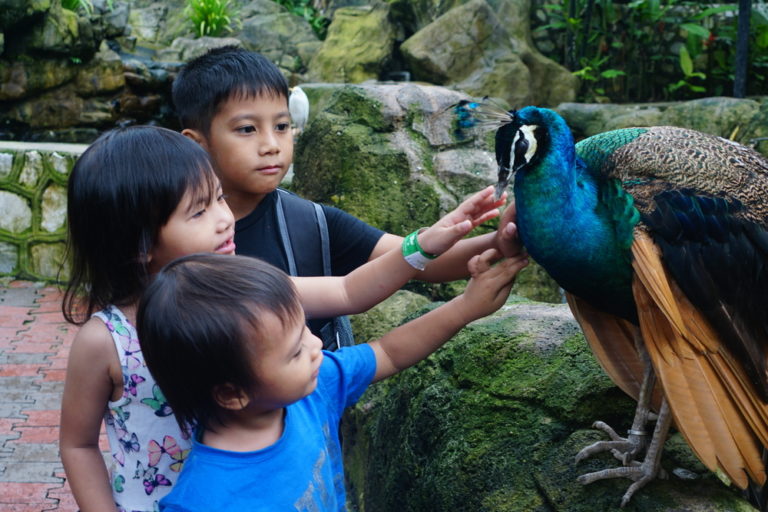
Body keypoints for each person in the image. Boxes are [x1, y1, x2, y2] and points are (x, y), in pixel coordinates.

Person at [58, 125, 517, 512]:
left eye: (219, 198)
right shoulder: (106, 342)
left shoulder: (246, 302)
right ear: (139, 243)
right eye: (199, 211)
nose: (224, 219)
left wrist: (428, 243)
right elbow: (78, 444)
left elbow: (348, 290)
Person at [172, 45, 522, 350]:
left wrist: (504, 239)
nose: (271, 145)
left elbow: (419, 263)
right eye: (247, 129)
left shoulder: (311, 224)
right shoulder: (168, 240)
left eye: (281, 126)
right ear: (195, 144)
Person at [137, 249, 528, 511]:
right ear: (232, 393)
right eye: (294, 351)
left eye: (305, 329)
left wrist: (466, 306)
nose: (315, 344)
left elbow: (388, 352)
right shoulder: (201, 500)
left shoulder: (310, 388)